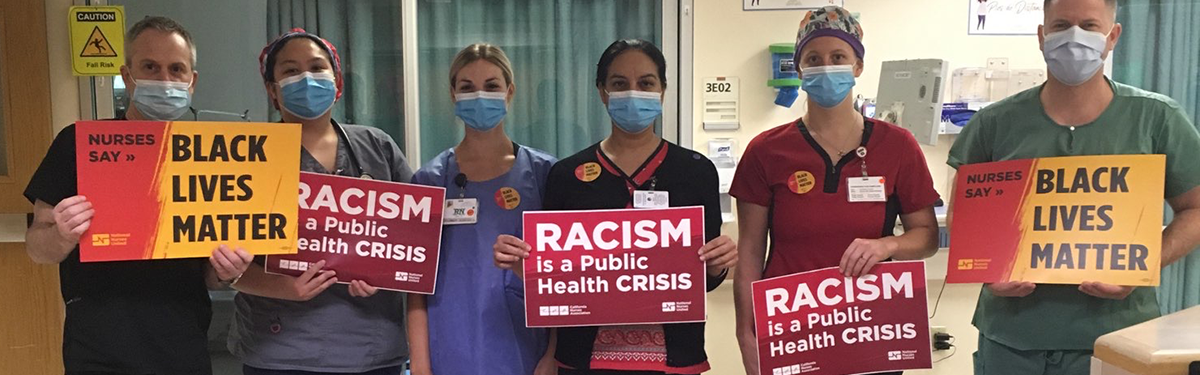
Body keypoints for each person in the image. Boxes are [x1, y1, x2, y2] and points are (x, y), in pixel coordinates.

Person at [947, 1, 1200, 374]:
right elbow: (961, 216)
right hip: (1012, 339)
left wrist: (1144, 264)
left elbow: (1195, 209)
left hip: (1118, 338)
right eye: (1061, 25)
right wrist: (989, 270)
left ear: (1112, 37)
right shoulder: (993, 124)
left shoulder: (1156, 118)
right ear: (1041, 35)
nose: (1074, 38)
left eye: (1089, 26)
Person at [23, 16, 252, 375]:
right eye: (150, 67)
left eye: (176, 69)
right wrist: (62, 234)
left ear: (192, 82)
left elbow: (207, 275)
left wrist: (225, 272)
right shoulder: (78, 143)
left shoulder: (209, 156)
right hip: (99, 349)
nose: (164, 80)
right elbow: (37, 247)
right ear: (127, 76)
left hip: (183, 344)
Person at [495, 39, 738, 375]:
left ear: (663, 91)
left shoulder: (695, 171)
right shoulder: (567, 175)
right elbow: (553, 280)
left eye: (646, 83)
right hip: (584, 360)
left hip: (672, 360)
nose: (633, 92)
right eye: (620, 83)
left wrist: (718, 264)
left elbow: (705, 279)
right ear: (602, 92)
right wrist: (523, 265)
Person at [729, 6, 941, 375]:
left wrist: (886, 245)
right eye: (813, 58)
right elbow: (749, 253)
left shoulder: (897, 146)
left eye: (838, 57)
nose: (826, 66)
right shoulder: (766, 151)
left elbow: (926, 237)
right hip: (791, 329)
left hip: (870, 325)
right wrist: (747, 335)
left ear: (858, 65)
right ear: (799, 69)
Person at [223, 29, 412, 375]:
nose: (306, 79)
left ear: (337, 82)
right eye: (291, 71)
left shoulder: (378, 147)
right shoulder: (246, 157)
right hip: (280, 350)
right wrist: (285, 288)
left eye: (316, 67)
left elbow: (417, 243)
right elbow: (221, 267)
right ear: (272, 89)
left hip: (372, 349)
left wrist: (384, 273)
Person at [406, 43, 557, 375]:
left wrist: (554, 355)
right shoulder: (431, 179)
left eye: (491, 86)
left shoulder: (545, 174)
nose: (479, 96)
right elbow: (415, 283)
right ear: (452, 95)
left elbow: (564, 277)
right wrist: (419, 364)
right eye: (467, 88)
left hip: (525, 347)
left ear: (510, 92)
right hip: (449, 344)